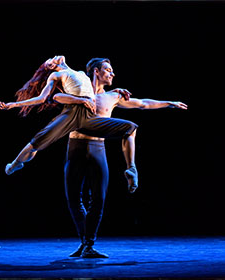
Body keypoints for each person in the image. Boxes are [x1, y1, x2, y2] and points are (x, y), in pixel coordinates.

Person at [53, 58, 187, 258]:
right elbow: (57, 92)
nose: (112, 74)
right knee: (73, 199)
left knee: (98, 199)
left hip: (98, 148)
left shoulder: (113, 96)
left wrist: (169, 103)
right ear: (96, 71)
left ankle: (88, 244)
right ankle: (85, 243)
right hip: (75, 146)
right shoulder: (78, 90)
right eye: (108, 70)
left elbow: (143, 104)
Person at [0, 56, 137, 186]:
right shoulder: (56, 75)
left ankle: (131, 168)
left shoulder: (82, 73)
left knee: (129, 127)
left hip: (89, 116)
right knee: (37, 142)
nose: (54, 57)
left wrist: (116, 91)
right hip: (71, 113)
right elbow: (41, 99)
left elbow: (96, 89)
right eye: (50, 60)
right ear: (51, 66)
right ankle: (15, 163)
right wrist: (13, 105)